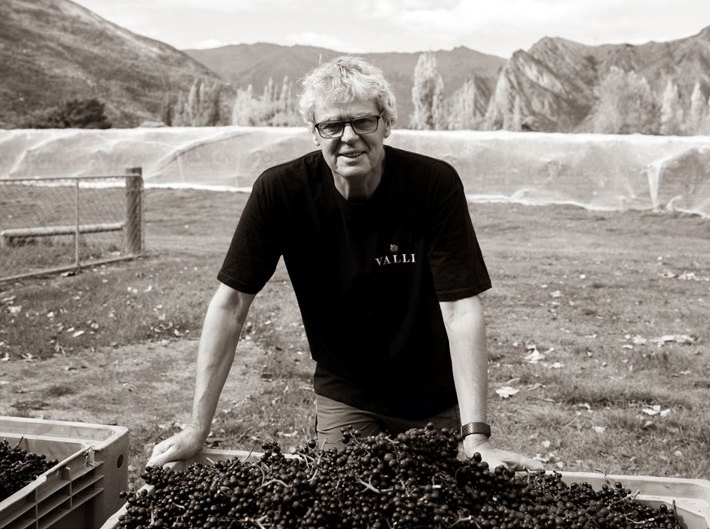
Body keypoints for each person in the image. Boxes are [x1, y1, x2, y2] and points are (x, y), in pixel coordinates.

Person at [149, 56, 542, 471]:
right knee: (343, 502)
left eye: (363, 121)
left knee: (431, 504)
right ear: (315, 133)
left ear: (386, 124)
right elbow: (230, 306)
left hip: (432, 394)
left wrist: (476, 435)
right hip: (346, 392)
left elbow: (461, 309)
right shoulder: (280, 193)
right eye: (332, 125)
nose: (349, 137)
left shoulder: (433, 185)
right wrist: (196, 427)